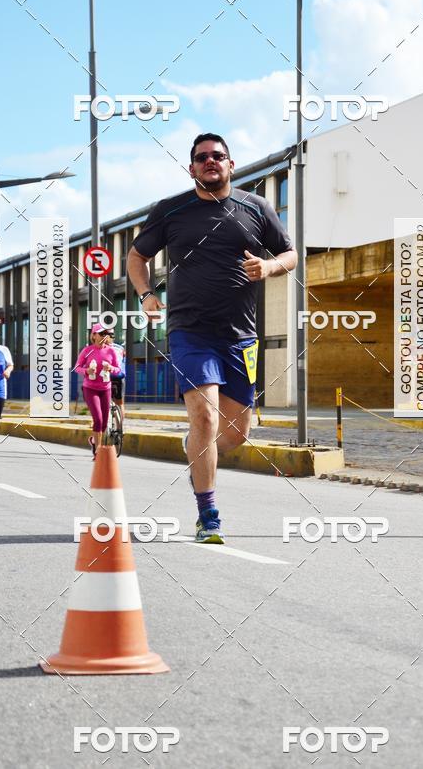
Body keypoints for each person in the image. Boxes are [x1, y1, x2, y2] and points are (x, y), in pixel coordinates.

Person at [127, 133, 297, 544]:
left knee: (236, 433)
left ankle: (195, 445)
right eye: (201, 157)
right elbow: (136, 257)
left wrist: (269, 268)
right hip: (190, 331)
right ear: (192, 168)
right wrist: (147, 294)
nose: (210, 161)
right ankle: (208, 514)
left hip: (241, 336)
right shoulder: (171, 211)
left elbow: (290, 253)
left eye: (217, 156)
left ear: (231, 164)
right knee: (205, 415)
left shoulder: (255, 207)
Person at [74, 323, 121, 457]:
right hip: (90, 389)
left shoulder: (111, 351)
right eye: (101, 333)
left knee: (105, 422)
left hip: (106, 389)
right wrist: (87, 370)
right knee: (98, 419)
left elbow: (118, 369)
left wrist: (111, 368)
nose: (104, 336)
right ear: (94, 335)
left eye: (106, 334)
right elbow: (77, 367)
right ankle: (98, 451)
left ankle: (94, 440)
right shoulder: (87, 350)